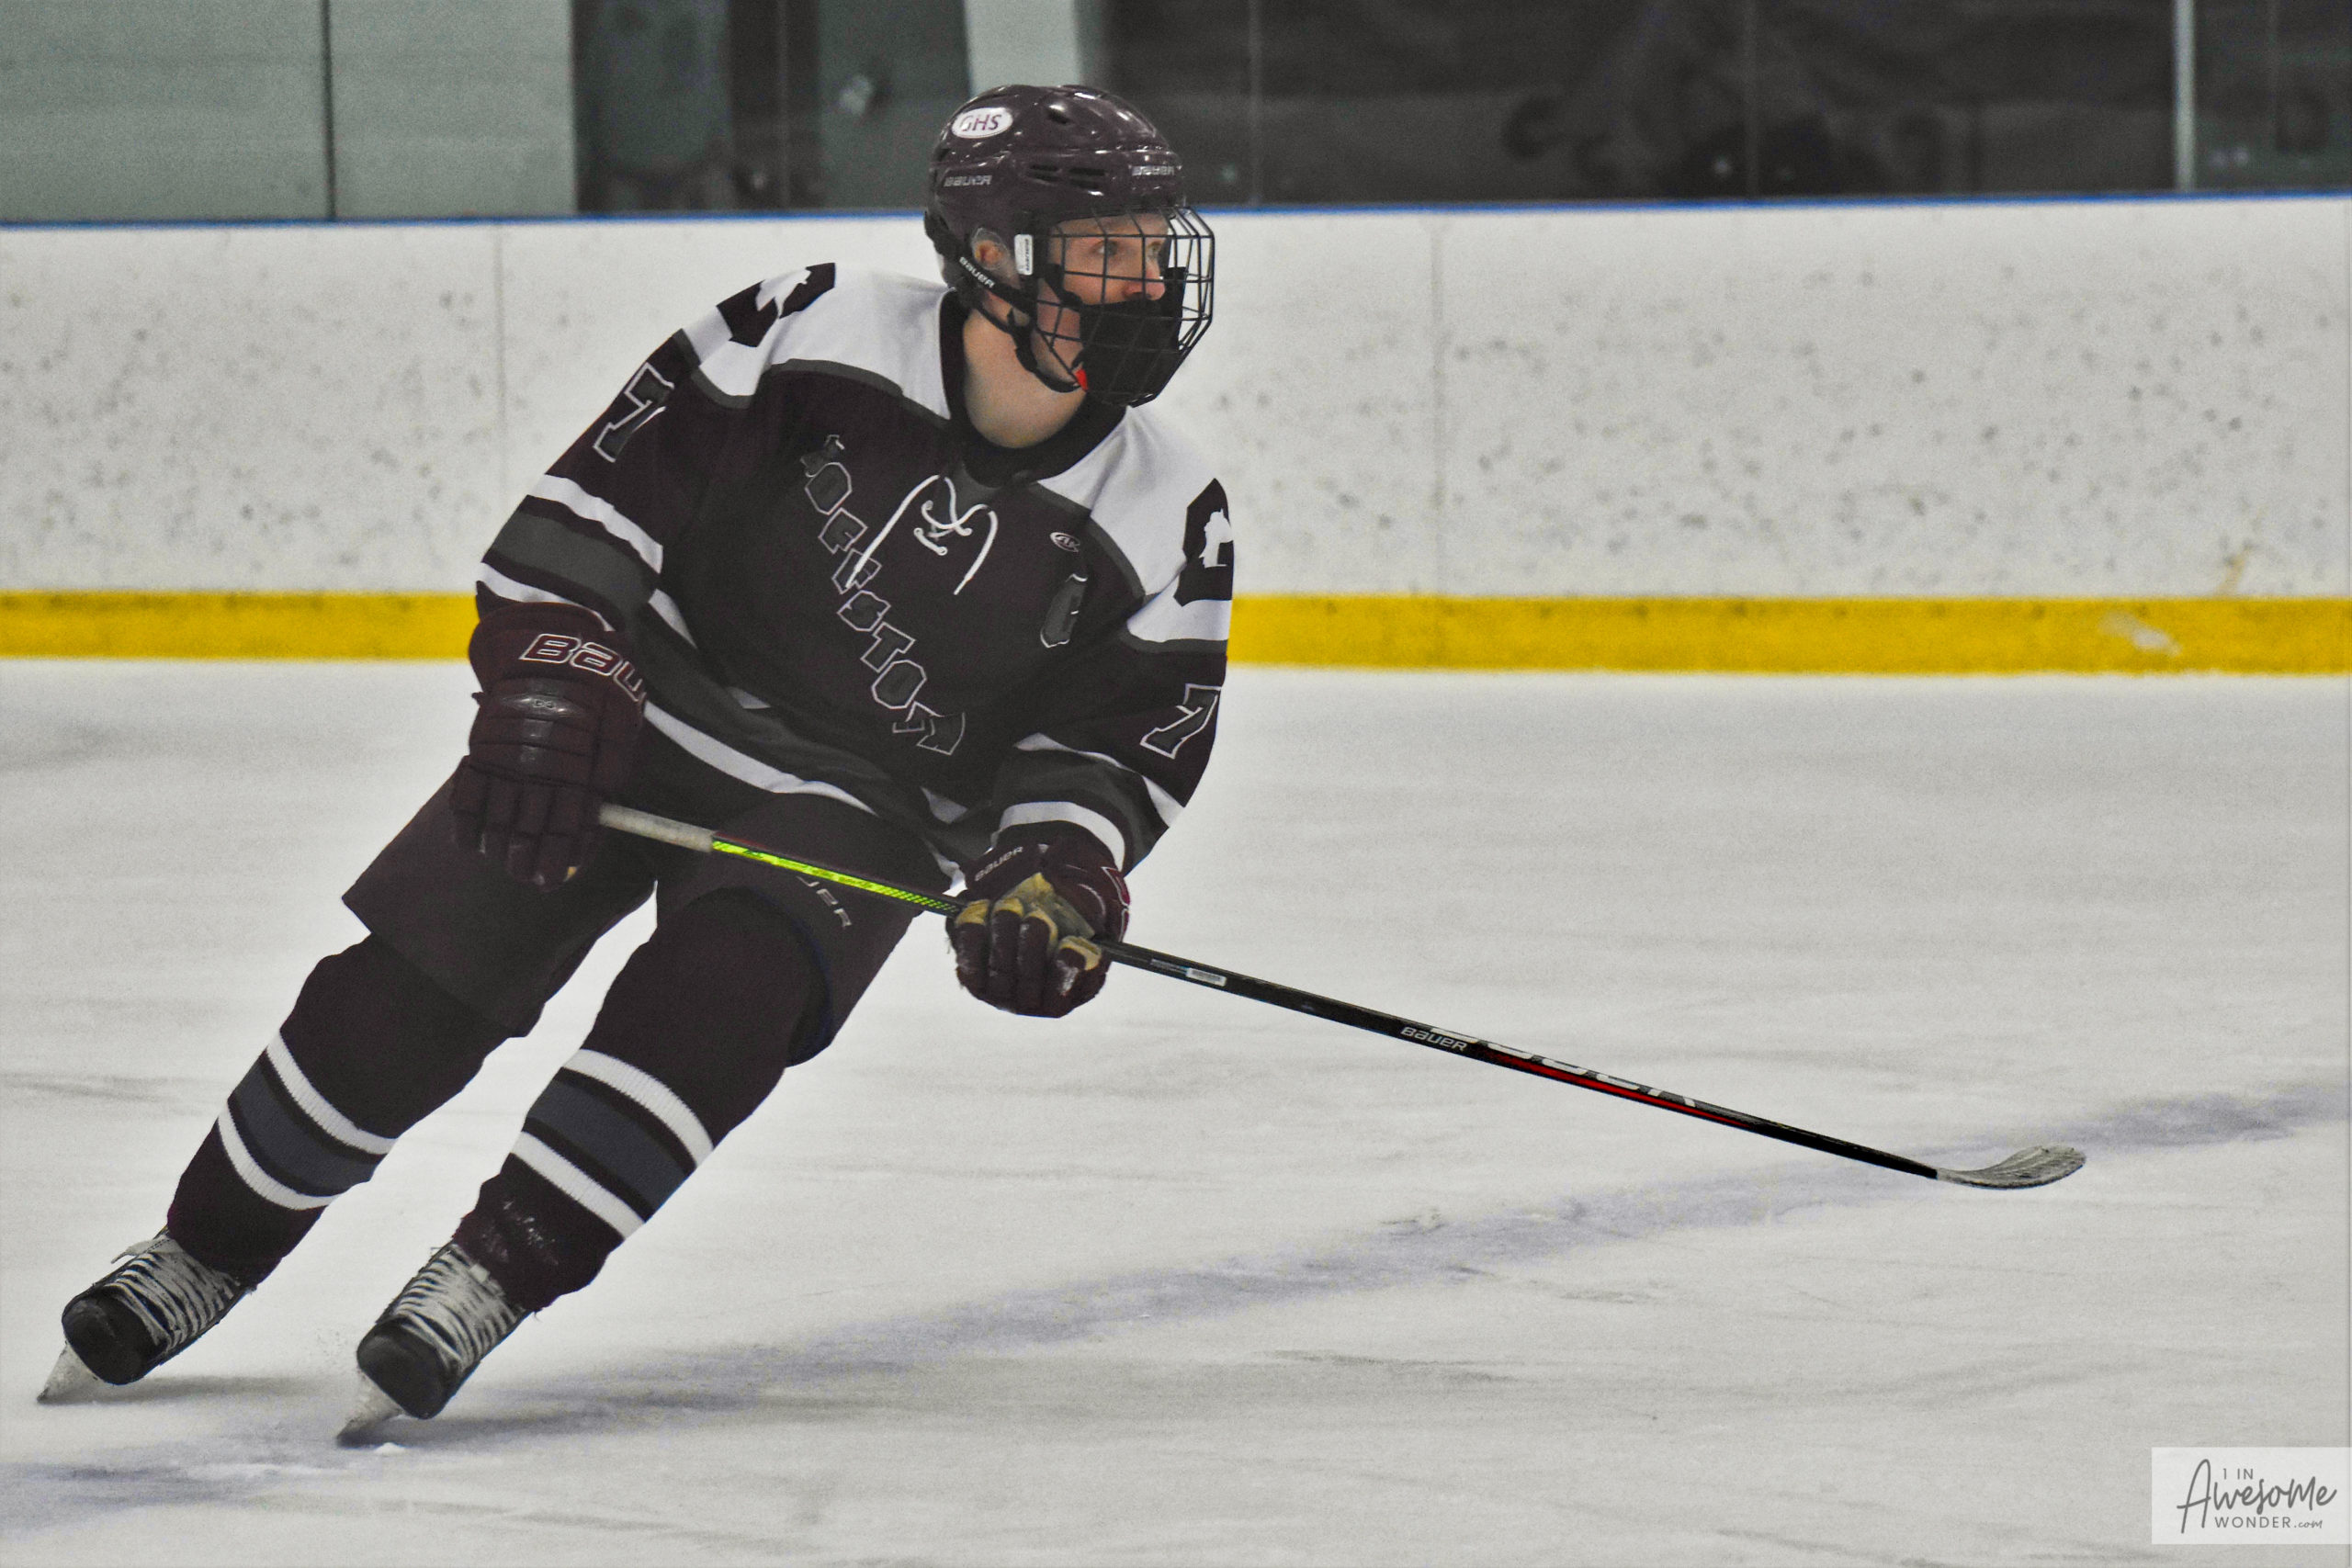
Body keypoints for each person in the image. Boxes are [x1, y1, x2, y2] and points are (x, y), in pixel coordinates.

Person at [42, 85, 1231, 1432]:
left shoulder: (1168, 506)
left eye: (1155, 243)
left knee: (720, 1001)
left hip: (863, 806)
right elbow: (601, 505)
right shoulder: (812, 326)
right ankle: (203, 1248)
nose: (1149, 279)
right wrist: (559, 673)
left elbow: (1113, 741)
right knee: (415, 981)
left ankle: (490, 1274)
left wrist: (1057, 868)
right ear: (995, 254)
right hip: (640, 714)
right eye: (1108, 247)